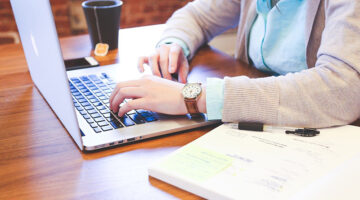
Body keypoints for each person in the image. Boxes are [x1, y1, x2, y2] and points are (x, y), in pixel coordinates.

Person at [109, 0, 360, 128]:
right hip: (262, 129)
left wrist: (194, 97)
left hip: (327, 140)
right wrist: (173, 44)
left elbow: (343, 89)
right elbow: (196, 15)